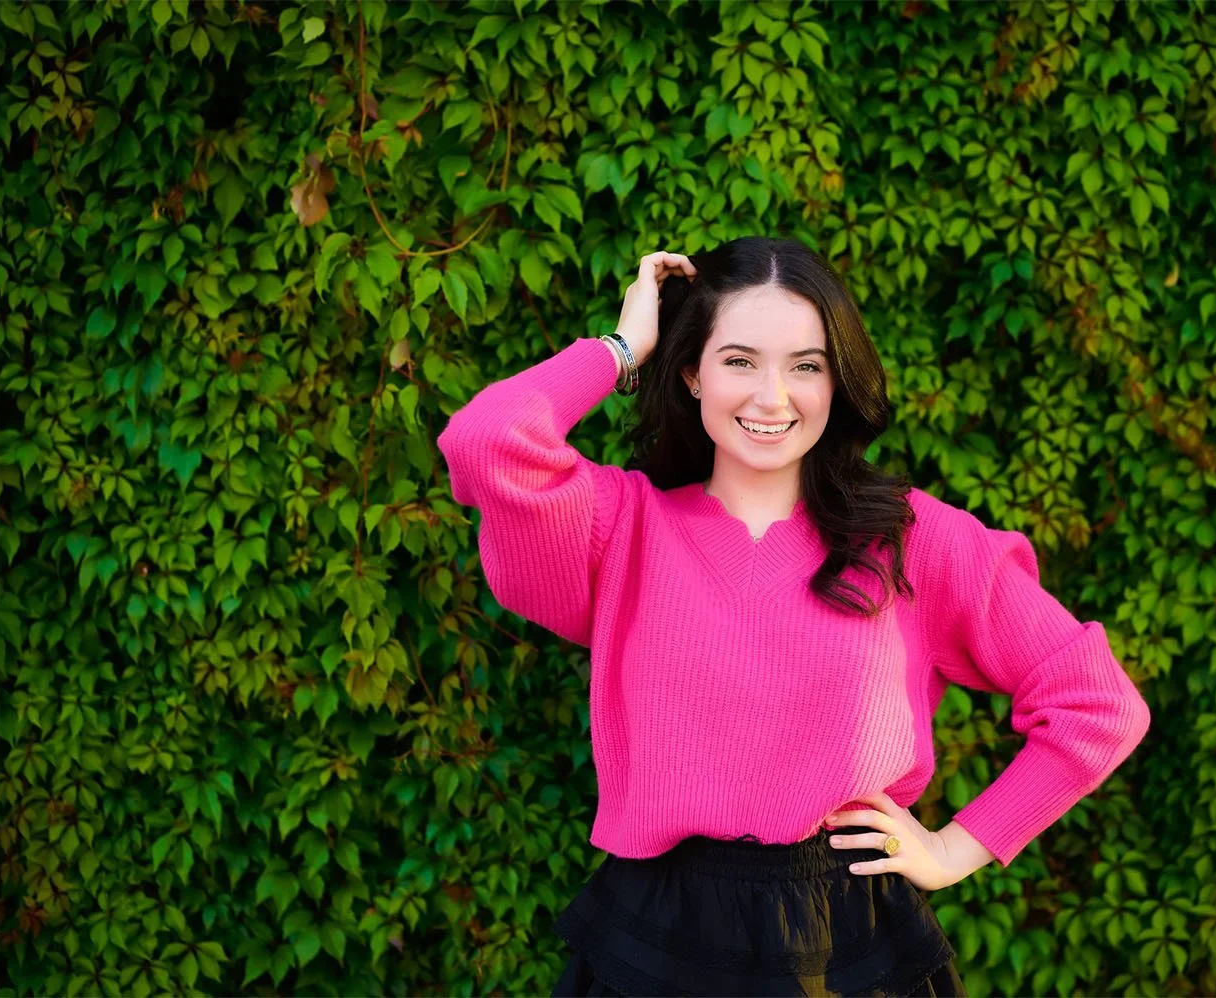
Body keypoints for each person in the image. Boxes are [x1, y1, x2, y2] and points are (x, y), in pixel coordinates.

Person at [434, 237, 1152, 996]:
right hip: (653, 942)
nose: (773, 397)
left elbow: (1096, 703)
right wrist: (622, 346)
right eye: (739, 360)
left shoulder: (914, 541)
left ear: (837, 383)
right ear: (690, 372)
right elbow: (487, 443)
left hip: (848, 943)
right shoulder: (620, 529)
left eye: (806, 366)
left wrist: (956, 848)